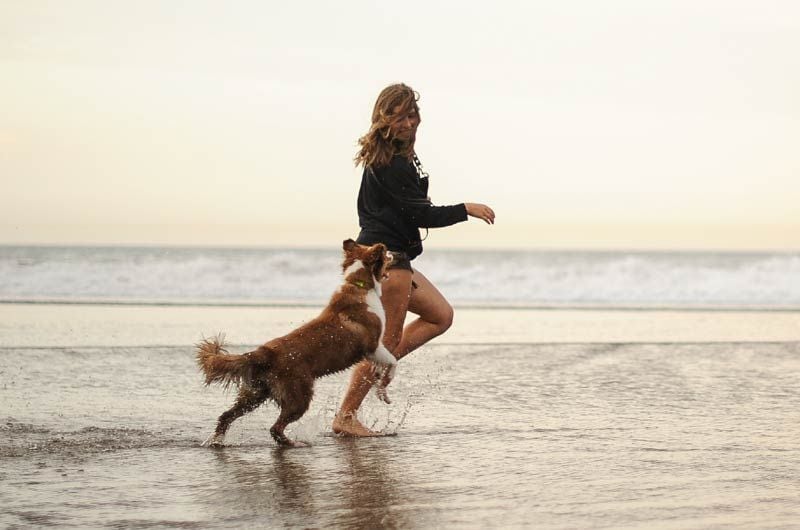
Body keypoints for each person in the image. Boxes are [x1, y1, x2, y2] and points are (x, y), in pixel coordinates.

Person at [332, 83, 495, 437]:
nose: (408, 122)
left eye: (412, 115)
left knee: (440, 315)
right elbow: (422, 215)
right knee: (384, 344)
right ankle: (346, 415)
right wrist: (466, 209)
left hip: (392, 257)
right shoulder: (390, 163)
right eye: (400, 116)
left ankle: (381, 371)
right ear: (383, 118)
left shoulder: (398, 155)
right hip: (387, 260)